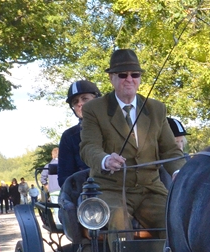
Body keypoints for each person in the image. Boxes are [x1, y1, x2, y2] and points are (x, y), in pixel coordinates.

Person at [79, 49, 184, 236]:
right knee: (120, 225)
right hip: (111, 189)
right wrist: (105, 160)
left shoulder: (156, 109)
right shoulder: (94, 109)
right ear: (111, 78)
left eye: (134, 74)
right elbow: (89, 147)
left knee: (176, 223)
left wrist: (179, 172)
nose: (129, 79)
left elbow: (170, 150)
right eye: (122, 75)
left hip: (150, 189)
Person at [58, 80, 101, 188]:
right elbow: (64, 179)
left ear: (97, 99)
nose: (80, 104)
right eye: (75, 102)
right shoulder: (69, 136)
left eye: (85, 99)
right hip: (86, 192)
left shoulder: (115, 126)